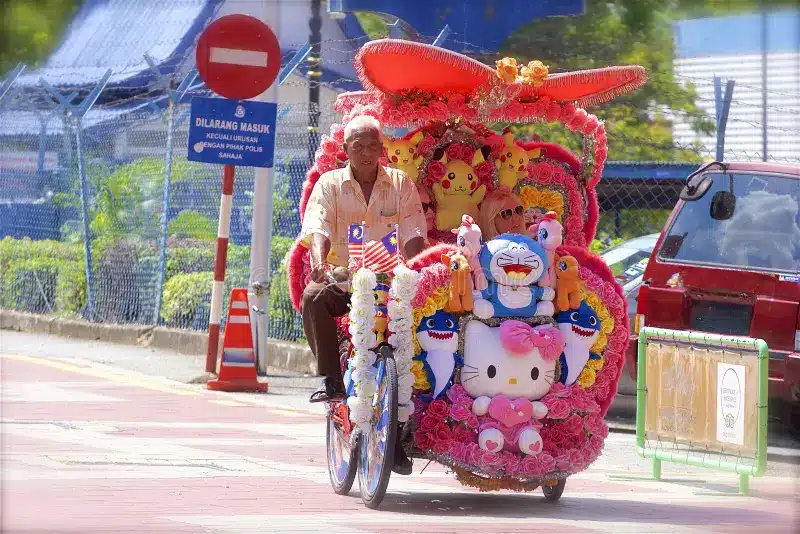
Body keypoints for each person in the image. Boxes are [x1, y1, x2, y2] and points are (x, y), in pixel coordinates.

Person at [300, 115, 426, 474]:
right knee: (313, 297)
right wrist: (320, 264)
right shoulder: (330, 184)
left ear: (382, 149)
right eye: (359, 146)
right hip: (344, 280)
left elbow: (414, 230)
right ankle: (332, 380)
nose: (367, 152)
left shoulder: (400, 183)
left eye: (373, 145)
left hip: (391, 283)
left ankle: (397, 439)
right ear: (346, 150)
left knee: (419, 337)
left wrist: (417, 267)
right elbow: (318, 225)